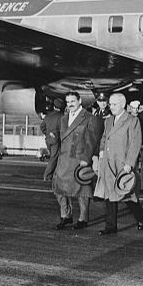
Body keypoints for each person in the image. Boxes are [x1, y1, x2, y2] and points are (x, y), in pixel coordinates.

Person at [94, 93, 143, 235]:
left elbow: (135, 144)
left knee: (127, 195)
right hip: (108, 163)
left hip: (123, 165)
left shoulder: (132, 120)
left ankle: (140, 217)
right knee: (109, 194)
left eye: (114, 104)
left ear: (123, 105)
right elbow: (104, 138)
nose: (111, 106)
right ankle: (111, 226)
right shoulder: (108, 120)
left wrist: (129, 164)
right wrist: (102, 152)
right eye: (110, 104)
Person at [51, 91, 102, 230]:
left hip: (79, 160)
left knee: (82, 192)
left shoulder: (89, 118)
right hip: (64, 159)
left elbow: (92, 141)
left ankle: (83, 219)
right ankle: (65, 216)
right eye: (68, 102)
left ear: (80, 101)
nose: (70, 104)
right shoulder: (63, 119)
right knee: (59, 189)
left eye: (72, 101)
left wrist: (86, 159)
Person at [40, 98, 64, 182]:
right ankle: (47, 175)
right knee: (54, 158)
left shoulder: (48, 115)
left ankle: (52, 174)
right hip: (56, 140)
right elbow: (63, 129)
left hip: (48, 140)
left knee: (53, 157)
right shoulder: (61, 116)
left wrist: (48, 133)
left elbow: (42, 126)